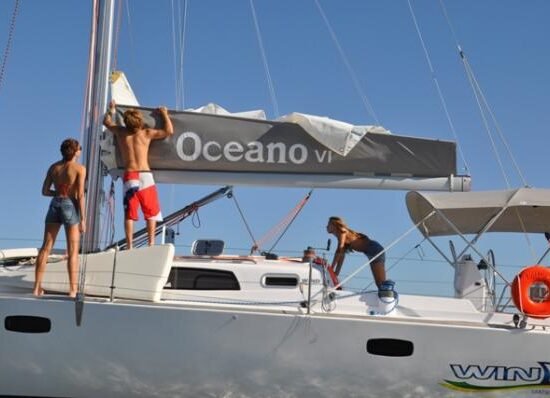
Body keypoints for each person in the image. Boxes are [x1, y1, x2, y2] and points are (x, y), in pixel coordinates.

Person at [103, 100, 174, 249]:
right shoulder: (146, 133)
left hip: (130, 175)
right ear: (140, 121)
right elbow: (168, 131)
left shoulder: (121, 132)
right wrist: (164, 114)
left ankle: (129, 246)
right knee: (151, 211)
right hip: (145, 174)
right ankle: (151, 243)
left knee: (130, 212)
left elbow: (107, 122)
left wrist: (112, 109)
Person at [33, 138, 86, 297]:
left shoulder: (54, 168)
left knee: (45, 247)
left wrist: (58, 193)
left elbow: (44, 191)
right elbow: (81, 194)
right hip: (70, 205)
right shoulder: (79, 169)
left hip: (54, 204)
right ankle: (73, 289)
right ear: (76, 151)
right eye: (79, 148)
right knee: (73, 249)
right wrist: (83, 219)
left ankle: (36, 287)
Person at [326, 216, 386, 288]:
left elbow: (339, 249)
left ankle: (389, 295)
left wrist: (332, 268)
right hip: (370, 252)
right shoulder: (341, 237)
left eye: (328, 224)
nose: (326, 226)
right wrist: (335, 273)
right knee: (379, 283)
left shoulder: (343, 231)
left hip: (374, 249)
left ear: (334, 225)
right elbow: (341, 257)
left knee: (381, 283)